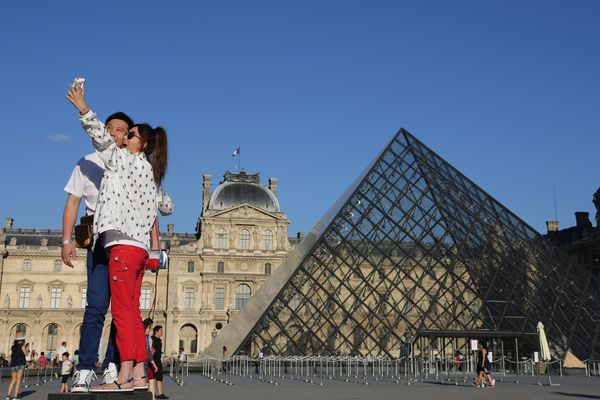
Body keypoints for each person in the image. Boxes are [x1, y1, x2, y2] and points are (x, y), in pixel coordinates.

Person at [67, 82, 172, 392]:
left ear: (139, 143)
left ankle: (128, 375)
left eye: (129, 135)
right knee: (129, 311)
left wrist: (84, 109)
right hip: (140, 251)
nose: (123, 138)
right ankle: (138, 374)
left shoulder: (122, 159)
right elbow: (167, 206)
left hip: (122, 247)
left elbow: (100, 137)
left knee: (123, 313)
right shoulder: (151, 175)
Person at [62, 101, 133, 393]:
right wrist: (66, 240)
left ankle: (112, 363)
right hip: (98, 240)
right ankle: (86, 368)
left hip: (125, 240)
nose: (116, 135)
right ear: (104, 131)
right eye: (112, 129)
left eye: (122, 131)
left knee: (121, 309)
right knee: (95, 307)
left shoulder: (131, 164)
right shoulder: (86, 162)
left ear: (128, 137)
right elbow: (72, 203)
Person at [152, 326, 168, 399]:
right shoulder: (152, 339)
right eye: (161, 331)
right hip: (153, 361)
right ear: (156, 332)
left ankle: (160, 394)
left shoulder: (159, 340)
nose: (162, 332)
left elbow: (159, 351)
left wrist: (165, 358)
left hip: (158, 361)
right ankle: (151, 394)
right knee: (151, 378)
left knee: (159, 377)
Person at [144, 318, 158, 398]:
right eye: (150, 328)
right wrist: (153, 363)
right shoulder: (144, 337)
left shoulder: (146, 337)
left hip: (146, 362)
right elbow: (148, 350)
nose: (150, 330)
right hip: (143, 362)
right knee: (144, 382)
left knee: (146, 381)